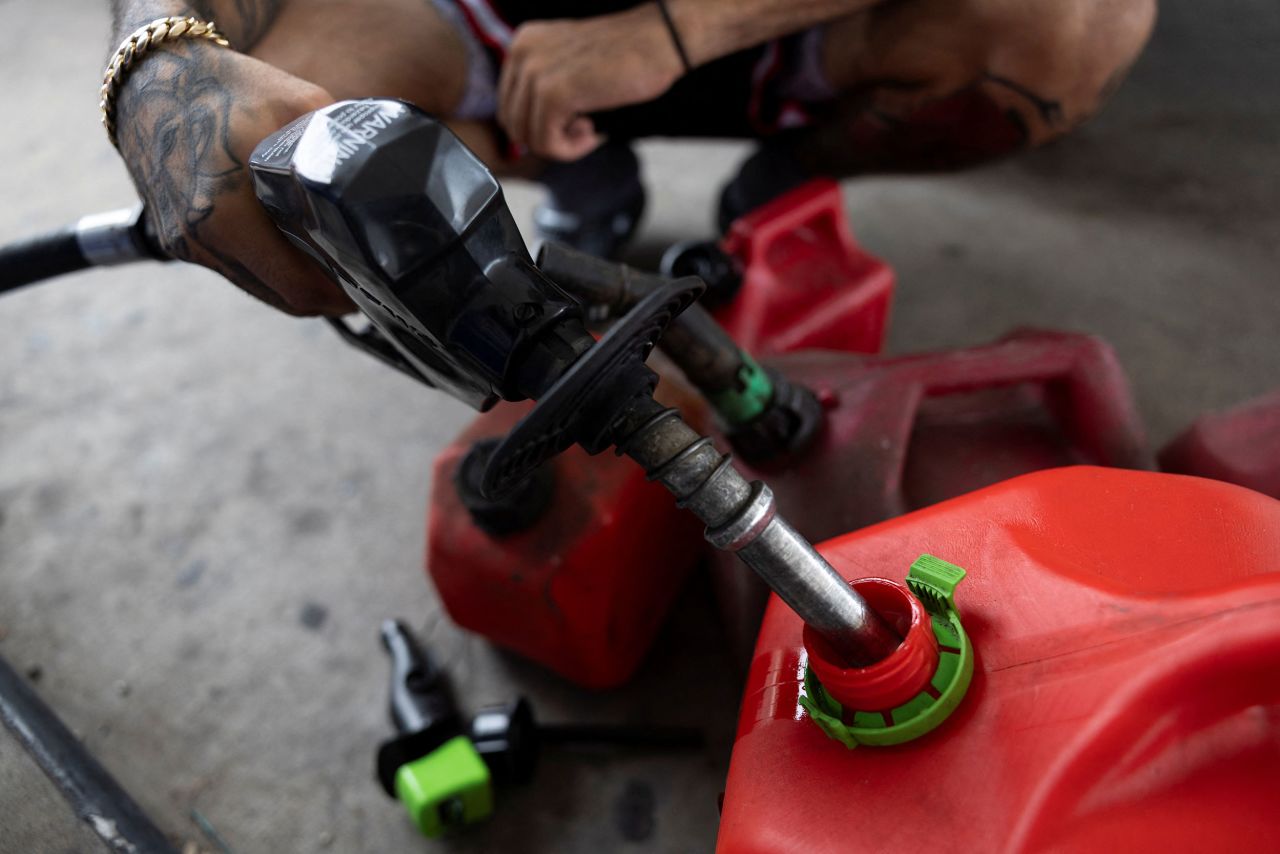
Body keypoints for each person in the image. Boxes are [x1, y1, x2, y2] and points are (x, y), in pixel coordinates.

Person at [106, 0, 1156, 316]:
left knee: (1071, 26)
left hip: (783, 28)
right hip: (483, 29)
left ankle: (782, 181)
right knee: (278, 117)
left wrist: (669, 27)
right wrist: (158, 68)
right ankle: (564, 175)